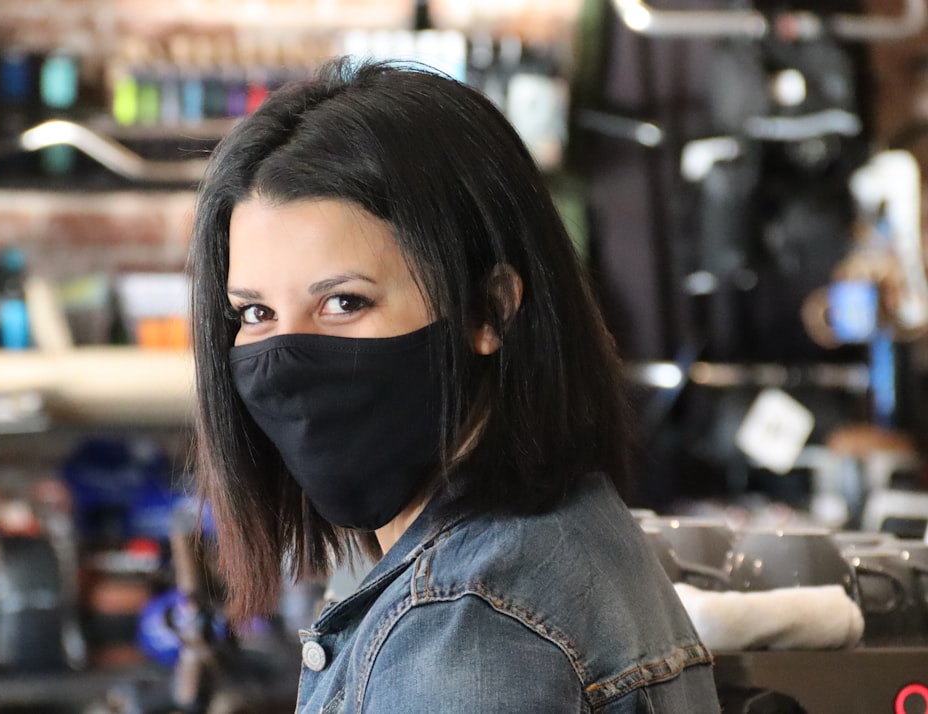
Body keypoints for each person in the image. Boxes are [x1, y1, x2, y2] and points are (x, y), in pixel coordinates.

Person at [188, 57, 721, 713]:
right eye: (256, 313)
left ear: (490, 310)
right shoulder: (551, 535)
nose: (287, 355)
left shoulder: (465, 632)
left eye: (345, 303)